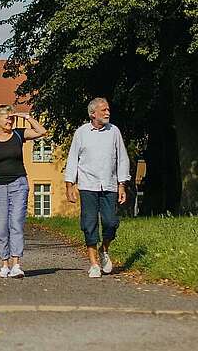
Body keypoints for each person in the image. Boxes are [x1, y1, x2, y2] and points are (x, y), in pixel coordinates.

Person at [0, 104, 48, 278]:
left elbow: (42, 132)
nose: (10, 121)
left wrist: (27, 117)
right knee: (0, 227)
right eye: (7, 118)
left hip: (18, 184)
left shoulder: (19, 134)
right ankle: (4, 265)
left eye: (12, 118)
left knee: (16, 223)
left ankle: (16, 265)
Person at [64, 97, 130, 278]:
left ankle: (104, 250)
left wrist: (122, 185)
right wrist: (69, 185)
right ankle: (93, 264)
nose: (108, 112)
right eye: (104, 110)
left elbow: (122, 159)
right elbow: (72, 159)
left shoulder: (114, 131)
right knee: (89, 223)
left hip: (109, 184)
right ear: (93, 114)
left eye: (108, 109)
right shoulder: (81, 133)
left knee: (111, 222)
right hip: (88, 185)